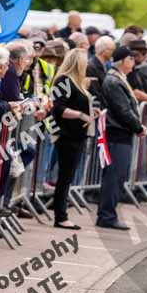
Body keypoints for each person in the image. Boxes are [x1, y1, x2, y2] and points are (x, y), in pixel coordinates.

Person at [96, 46, 146, 230]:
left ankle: (108, 213)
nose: (133, 62)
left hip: (121, 134)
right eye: (131, 59)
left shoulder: (118, 79)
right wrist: (138, 126)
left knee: (118, 176)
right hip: (116, 134)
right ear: (123, 60)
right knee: (113, 176)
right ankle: (107, 215)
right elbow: (123, 110)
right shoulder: (114, 81)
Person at [51, 49, 96, 230]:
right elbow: (59, 108)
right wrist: (81, 115)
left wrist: (91, 114)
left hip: (77, 136)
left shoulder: (78, 83)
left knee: (67, 177)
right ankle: (61, 216)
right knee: (65, 177)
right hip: (67, 136)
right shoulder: (65, 81)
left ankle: (61, 214)